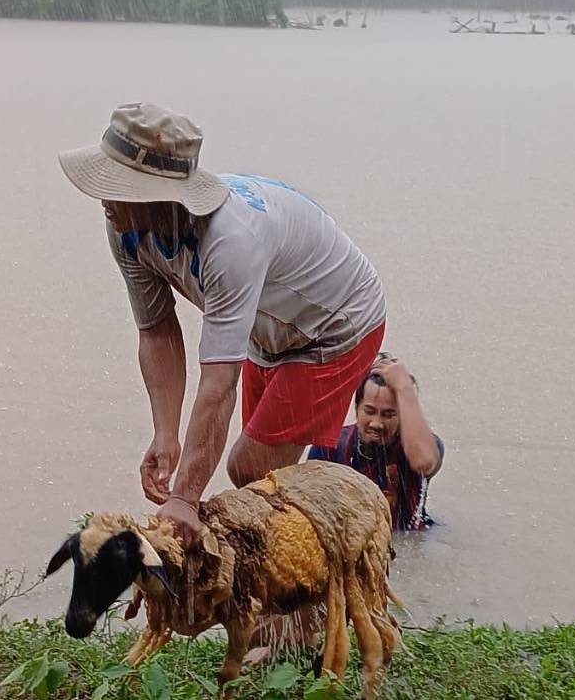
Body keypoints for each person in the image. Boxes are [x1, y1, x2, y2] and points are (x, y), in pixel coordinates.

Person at [58, 102, 386, 545]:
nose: (104, 200)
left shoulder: (230, 242)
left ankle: (316, 578)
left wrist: (186, 498)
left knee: (252, 471)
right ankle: (287, 602)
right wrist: (165, 434)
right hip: (267, 330)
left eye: (115, 188)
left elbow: (218, 382)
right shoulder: (125, 228)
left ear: (155, 195)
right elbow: (157, 331)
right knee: (268, 483)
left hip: (336, 324)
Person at [308, 353, 444, 530]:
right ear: (357, 409)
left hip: (411, 537)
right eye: (369, 411)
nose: (376, 423)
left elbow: (425, 462)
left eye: (388, 414)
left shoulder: (418, 448)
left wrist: (404, 389)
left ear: (403, 416)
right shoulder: (328, 450)